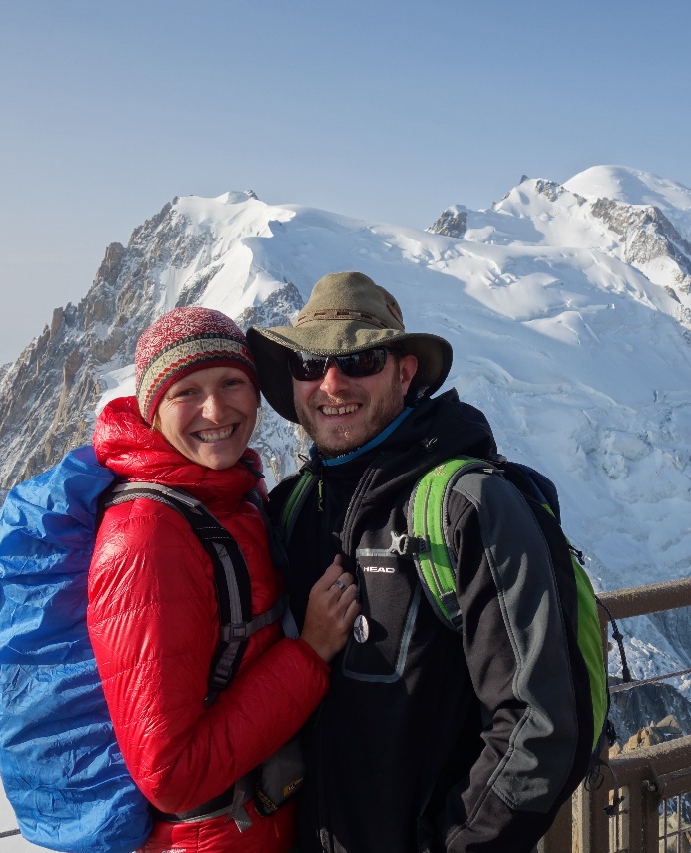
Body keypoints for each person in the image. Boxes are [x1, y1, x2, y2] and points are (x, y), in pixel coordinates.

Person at [247, 272, 599, 853]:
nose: (332, 383)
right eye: (311, 363)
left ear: (405, 373)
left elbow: (540, 727)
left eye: (360, 361)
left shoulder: (469, 509)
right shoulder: (293, 510)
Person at [87, 306, 360, 853]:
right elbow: (171, 774)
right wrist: (309, 652)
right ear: (153, 410)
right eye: (186, 391)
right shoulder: (148, 536)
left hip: (254, 825)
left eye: (232, 382)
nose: (216, 409)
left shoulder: (225, 495)